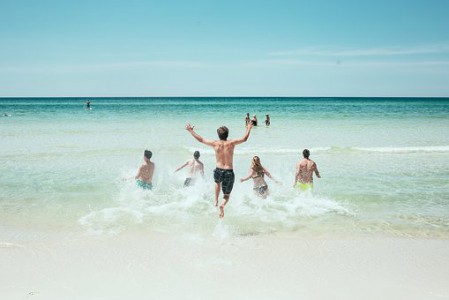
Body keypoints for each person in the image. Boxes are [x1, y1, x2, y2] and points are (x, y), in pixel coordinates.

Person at [186, 122, 253, 218]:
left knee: (217, 183)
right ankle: (222, 204)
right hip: (229, 171)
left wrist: (191, 130)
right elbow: (244, 138)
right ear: (227, 134)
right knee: (226, 194)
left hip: (218, 170)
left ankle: (216, 200)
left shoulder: (215, 143)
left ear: (218, 135)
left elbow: (200, 139)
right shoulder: (231, 143)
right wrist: (249, 127)